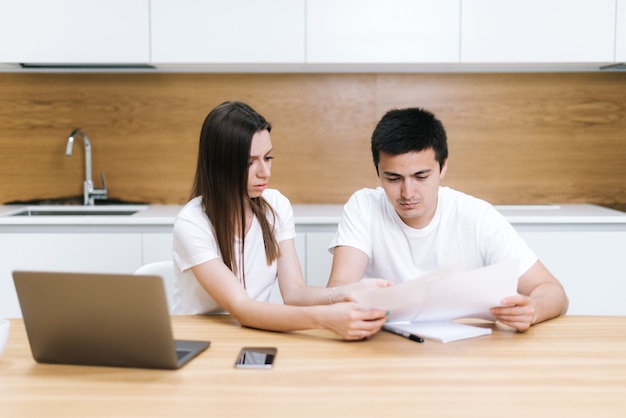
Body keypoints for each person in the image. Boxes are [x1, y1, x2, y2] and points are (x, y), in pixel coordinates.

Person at [327, 107, 568, 332]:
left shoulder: (476, 216)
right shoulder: (364, 206)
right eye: (393, 178)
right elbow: (339, 288)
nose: (407, 193)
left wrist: (533, 310)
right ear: (378, 170)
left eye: (421, 176)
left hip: (465, 350)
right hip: (383, 343)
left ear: (443, 167)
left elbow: (553, 291)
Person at [172, 101, 389, 340]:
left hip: (251, 334)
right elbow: (243, 308)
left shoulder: (275, 206)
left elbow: (294, 293)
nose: (265, 172)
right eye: (250, 162)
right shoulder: (193, 223)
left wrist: (347, 292)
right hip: (200, 338)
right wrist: (326, 319)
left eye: (268, 157)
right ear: (219, 165)